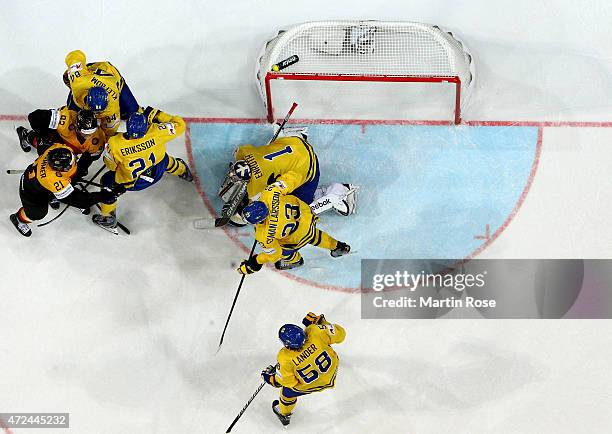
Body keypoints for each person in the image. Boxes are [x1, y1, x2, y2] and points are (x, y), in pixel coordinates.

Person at [221, 129, 356, 226]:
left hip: (308, 166)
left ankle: (339, 193)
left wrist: (248, 212)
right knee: (272, 148)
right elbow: (238, 151)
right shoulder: (245, 153)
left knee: (295, 211)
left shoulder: (257, 187)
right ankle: (296, 133)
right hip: (295, 143)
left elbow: (281, 188)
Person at [91, 108, 193, 233]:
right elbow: (180, 124)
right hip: (158, 170)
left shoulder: (115, 144)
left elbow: (111, 166)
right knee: (164, 159)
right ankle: (184, 172)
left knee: (107, 181)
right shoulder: (156, 131)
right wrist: (158, 115)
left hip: (135, 183)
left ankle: (108, 218)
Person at [9, 142, 119, 237]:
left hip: (42, 182)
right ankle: (19, 218)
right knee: (37, 213)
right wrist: (102, 196)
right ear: (59, 170)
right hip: (31, 191)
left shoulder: (59, 149)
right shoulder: (54, 179)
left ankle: (55, 196)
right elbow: (79, 200)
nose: (74, 163)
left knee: (75, 174)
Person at [236, 188, 350, 273]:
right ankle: (338, 246)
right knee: (313, 235)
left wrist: (256, 261)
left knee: (285, 251)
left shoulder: (264, 235)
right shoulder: (269, 193)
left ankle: (295, 260)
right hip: (307, 218)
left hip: (297, 238)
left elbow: (274, 255)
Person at [261, 313, 346, 426]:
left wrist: (271, 379)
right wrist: (322, 324)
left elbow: (289, 382)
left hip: (311, 384)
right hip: (331, 369)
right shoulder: (315, 331)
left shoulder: (285, 357)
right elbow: (341, 334)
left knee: (286, 393)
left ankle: (284, 414)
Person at [63, 50, 139, 137]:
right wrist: (73, 68)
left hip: (112, 75)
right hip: (91, 72)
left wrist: (103, 136)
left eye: (100, 111)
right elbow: (75, 55)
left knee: (133, 112)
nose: (97, 114)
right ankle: (83, 72)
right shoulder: (79, 82)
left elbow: (110, 130)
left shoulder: (111, 106)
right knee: (72, 114)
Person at [16, 107, 105, 180]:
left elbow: (87, 161)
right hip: (56, 138)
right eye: (84, 132)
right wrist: (43, 135)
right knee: (50, 161)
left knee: (75, 172)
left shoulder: (98, 140)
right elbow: (34, 116)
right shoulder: (65, 119)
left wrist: (77, 172)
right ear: (77, 125)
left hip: (71, 150)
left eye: (91, 132)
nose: (88, 136)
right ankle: (27, 135)